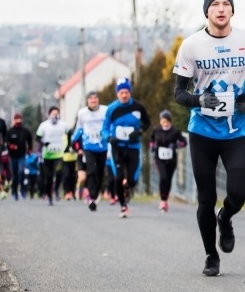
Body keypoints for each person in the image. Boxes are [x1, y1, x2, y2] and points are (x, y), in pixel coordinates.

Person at [173, 0, 245, 276]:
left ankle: (225, 218)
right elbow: (179, 93)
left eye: (225, 4)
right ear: (207, 11)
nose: (220, 9)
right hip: (202, 133)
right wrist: (198, 100)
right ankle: (211, 256)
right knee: (206, 199)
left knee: (238, 194)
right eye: (214, 4)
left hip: (236, 132)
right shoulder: (192, 45)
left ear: (232, 9)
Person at [102, 78, 150, 218]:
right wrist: (109, 138)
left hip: (133, 147)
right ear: (117, 93)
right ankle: (123, 206)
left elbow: (147, 122)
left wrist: (139, 131)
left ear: (130, 93)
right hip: (117, 147)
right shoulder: (111, 109)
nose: (124, 95)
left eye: (126, 92)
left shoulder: (138, 107)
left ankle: (127, 186)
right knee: (118, 177)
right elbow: (104, 128)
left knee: (133, 179)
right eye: (121, 92)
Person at [71, 91, 109, 211]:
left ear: (98, 100)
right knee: (91, 170)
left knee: (100, 172)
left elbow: (110, 124)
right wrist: (73, 141)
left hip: (102, 146)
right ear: (87, 101)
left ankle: (96, 193)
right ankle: (92, 196)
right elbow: (79, 128)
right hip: (88, 146)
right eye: (91, 99)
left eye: (95, 98)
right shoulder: (82, 113)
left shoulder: (105, 110)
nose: (93, 101)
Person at [149, 110, 188, 212]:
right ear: (160, 121)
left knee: (168, 179)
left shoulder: (175, 131)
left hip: (171, 159)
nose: (165, 123)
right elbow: (152, 140)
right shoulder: (156, 130)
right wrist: (152, 146)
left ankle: (165, 199)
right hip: (159, 158)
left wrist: (176, 145)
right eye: (163, 121)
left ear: (170, 121)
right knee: (163, 177)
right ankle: (162, 200)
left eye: (167, 121)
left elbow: (184, 142)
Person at [36, 106, 68, 206]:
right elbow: (37, 138)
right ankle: (49, 196)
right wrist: (44, 143)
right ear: (49, 115)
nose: (55, 116)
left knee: (59, 172)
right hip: (47, 155)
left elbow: (70, 133)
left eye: (56, 114)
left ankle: (56, 189)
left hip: (59, 153)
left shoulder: (63, 125)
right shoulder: (44, 125)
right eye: (53, 114)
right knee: (48, 177)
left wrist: (67, 146)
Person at [5, 113, 33, 201]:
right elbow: (5, 142)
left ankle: (23, 190)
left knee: (21, 172)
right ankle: (14, 191)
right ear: (14, 120)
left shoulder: (25, 131)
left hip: (22, 155)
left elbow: (30, 139)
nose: (18, 121)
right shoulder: (10, 131)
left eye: (19, 119)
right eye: (16, 119)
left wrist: (30, 149)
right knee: (15, 174)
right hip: (12, 156)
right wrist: (10, 146)